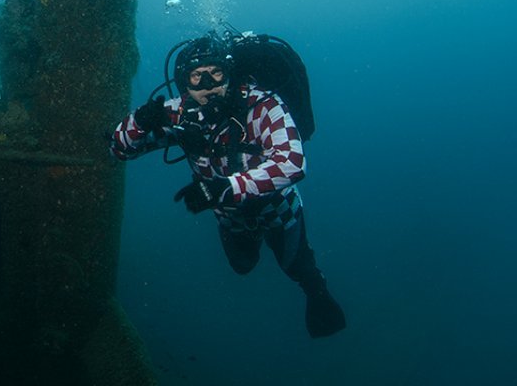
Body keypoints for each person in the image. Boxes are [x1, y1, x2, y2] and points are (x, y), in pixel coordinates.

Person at [110, 32, 346, 338]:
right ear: (184, 82)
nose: (208, 85)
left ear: (229, 72)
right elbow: (120, 149)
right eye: (197, 77)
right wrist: (139, 121)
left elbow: (292, 161)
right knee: (243, 266)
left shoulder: (263, 105)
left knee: (300, 270)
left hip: (280, 211)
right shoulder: (178, 113)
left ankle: (319, 294)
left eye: (216, 73)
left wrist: (225, 189)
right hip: (230, 219)